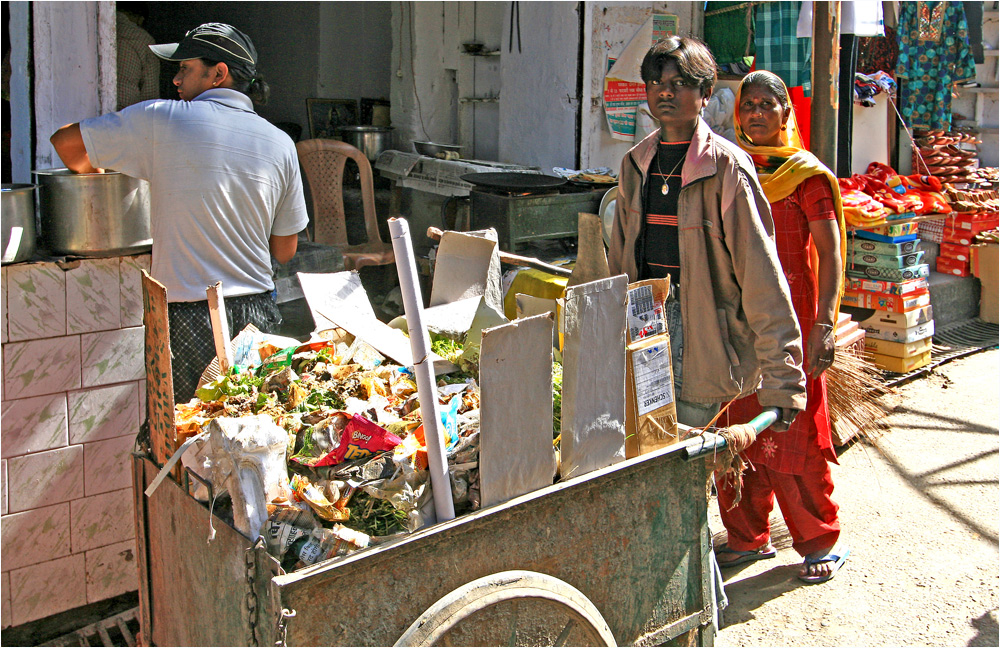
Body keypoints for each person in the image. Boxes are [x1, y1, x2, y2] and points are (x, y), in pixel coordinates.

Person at [51, 23, 309, 403]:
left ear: (218, 73)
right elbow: (285, 250)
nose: (174, 79)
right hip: (259, 311)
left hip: (190, 316)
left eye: (184, 68)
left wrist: (106, 172)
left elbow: (66, 144)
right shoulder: (281, 143)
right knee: (253, 432)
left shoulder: (162, 119)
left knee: (187, 440)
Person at [608, 36, 807, 433]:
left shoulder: (727, 169)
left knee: (686, 458)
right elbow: (619, 261)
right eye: (656, 82)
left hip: (702, 334)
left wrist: (784, 381)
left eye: (680, 82)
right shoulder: (635, 164)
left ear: (705, 94)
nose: (666, 91)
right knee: (642, 448)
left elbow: (761, 276)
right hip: (644, 322)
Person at [715, 69, 849, 585]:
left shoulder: (806, 175)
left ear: (785, 112)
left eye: (767, 104)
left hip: (793, 323)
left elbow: (832, 251)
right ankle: (749, 538)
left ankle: (818, 540)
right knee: (738, 427)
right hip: (740, 322)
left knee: (796, 430)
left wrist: (825, 323)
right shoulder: (732, 168)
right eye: (748, 105)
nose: (755, 113)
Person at [116, 2, 160, 110]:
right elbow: (149, 91)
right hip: (125, 110)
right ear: (140, 19)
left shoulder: (93, 26)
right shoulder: (144, 39)